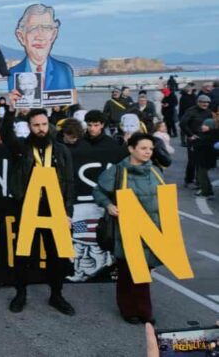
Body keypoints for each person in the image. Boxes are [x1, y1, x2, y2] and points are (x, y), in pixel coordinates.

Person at [1, 106, 76, 315]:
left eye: (43, 124)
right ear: (29, 127)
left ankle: (57, 295)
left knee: (57, 255)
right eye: (36, 125)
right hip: (29, 207)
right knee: (24, 254)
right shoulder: (22, 148)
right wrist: (10, 112)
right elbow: (6, 135)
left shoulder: (61, 150)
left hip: (55, 208)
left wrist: (68, 212)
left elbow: (69, 182)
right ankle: (20, 294)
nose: (41, 129)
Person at [93, 133, 164, 325]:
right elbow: (98, 191)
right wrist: (108, 205)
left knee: (144, 271)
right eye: (143, 148)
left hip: (151, 230)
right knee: (126, 271)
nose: (148, 152)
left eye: (150, 149)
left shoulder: (156, 171)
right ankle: (130, 309)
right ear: (131, 149)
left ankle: (143, 310)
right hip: (126, 230)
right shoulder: (117, 171)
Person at [7, 4, 74, 93]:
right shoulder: (14, 73)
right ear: (21, 36)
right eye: (32, 29)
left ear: (53, 35)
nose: (39, 36)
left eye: (46, 28)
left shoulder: (64, 71)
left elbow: (71, 99)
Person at [180, 95, 212, 188]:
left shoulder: (209, 112)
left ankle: (199, 181)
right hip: (194, 139)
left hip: (205, 139)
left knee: (202, 161)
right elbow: (183, 123)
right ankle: (188, 180)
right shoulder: (191, 111)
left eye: (207, 102)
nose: (205, 104)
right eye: (203, 102)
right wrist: (190, 135)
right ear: (198, 102)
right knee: (193, 161)